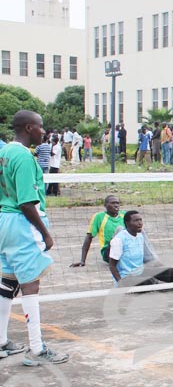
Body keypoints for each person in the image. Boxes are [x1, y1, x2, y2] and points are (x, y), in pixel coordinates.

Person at [0, 110, 69, 365]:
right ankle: (37, 348)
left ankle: (2, 341)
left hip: (4, 221)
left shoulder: (4, 151)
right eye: (41, 127)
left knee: (7, 282)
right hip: (21, 224)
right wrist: (45, 233)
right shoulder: (23, 157)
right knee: (31, 284)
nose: (44, 131)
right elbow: (27, 203)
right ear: (29, 128)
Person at [108, 210, 173, 287]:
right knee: (152, 281)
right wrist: (121, 283)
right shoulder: (119, 240)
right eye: (136, 220)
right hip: (127, 278)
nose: (140, 223)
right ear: (127, 223)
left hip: (140, 272)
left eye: (140, 220)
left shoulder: (140, 236)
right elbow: (112, 266)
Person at [70, 195, 125, 267]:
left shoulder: (124, 215)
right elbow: (89, 237)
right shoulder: (99, 217)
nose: (116, 205)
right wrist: (82, 260)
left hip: (125, 250)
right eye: (113, 203)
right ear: (105, 205)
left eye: (117, 203)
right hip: (109, 252)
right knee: (120, 229)